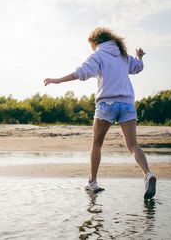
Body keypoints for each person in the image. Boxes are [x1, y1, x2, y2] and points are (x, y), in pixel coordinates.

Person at [44, 27, 156, 199]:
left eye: (92, 45)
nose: (92, 48)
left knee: (97, 144)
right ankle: (148, 174)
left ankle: (93, 182)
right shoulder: (123, 56)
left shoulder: (98, 55)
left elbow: (81, 72)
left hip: (106, 104)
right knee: (133, 145)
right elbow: (138, 67)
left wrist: (58, 80)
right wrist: (139, 56)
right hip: (127, 104)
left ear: (96, 42)